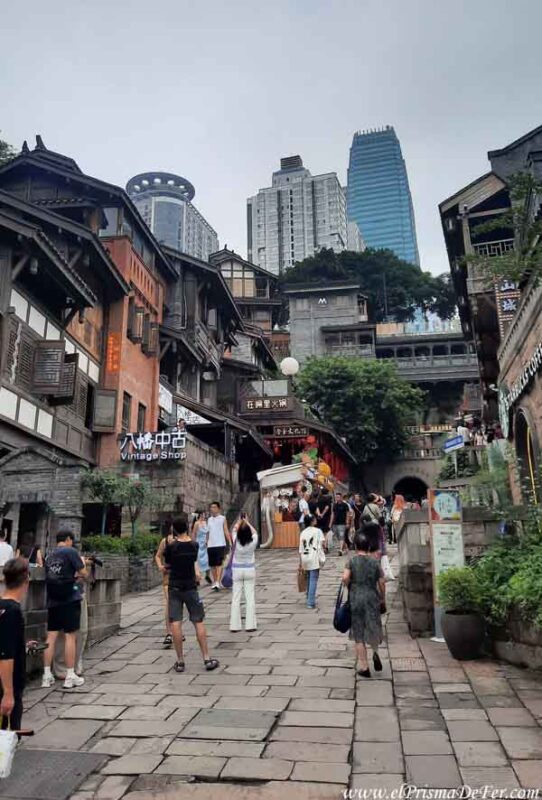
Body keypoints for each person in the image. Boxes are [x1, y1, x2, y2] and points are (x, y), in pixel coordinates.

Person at [164, 518, 219, 673]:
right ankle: (206, 658)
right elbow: (194, 562)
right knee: (198, 621)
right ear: (187, 528)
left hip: (174, 586)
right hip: (190, 587)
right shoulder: (194, 545)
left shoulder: (171, 546)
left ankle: (180, 661)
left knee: (175, 622)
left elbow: (168, 564)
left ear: (174, 529)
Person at [42, 530, 87, 689]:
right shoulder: (71, 552)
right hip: (69, 598)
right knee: (70, 636)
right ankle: (70, 675)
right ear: (68, 540)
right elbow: (84, 573)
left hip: (53, 600)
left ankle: (46, 675)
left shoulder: (49, 554)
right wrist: (83, 564)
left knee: (51, 636)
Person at [342, 532, 385, 678]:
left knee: (358, 633)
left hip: (356, 598)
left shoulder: (352, 562)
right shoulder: (374, 562)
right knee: (373, 626)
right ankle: (375, 652)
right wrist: (383, 598)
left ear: (355, 547)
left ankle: (364, 666)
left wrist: (349, 585)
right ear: (368, 547)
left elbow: (345, 578)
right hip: (372, 597)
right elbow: (381, 582)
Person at [0, 558, 30, 732]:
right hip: (7, 686)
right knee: (7, 739)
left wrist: (22, 644)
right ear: (26, 580)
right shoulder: (12, 611)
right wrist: (8, 693)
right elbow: (5, 655)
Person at [230, 517, 258, 632]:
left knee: (236, 598)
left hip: (237, 570)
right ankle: (250, 625)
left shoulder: (235, 540)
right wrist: (247, 522)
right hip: (249, 570)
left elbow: (234, 529)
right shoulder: (253, 541)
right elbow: (255, 532)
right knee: (250, 598)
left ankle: (235, 626)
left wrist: (240, 522)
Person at [155, 522, 175, 648]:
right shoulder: (165, 542)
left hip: (181, 577)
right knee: (169, 604)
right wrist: (160, 566)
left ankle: (175, 631)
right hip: (168, 576)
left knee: (177, 605)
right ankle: (169, 633)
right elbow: (157, 556)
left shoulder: (185, 541)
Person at [299, 515, 325, 609]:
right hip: (313, 556)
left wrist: (300, 562)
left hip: (305, 556)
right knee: (313, 578)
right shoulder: (318, 531)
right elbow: (322, 543)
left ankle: (308, 596)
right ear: (312, 521)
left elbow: (301, 548)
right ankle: (310, 602)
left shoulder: (303, 532)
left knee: (309, 577)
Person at [207, 502, 232, 591]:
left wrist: (229, 541)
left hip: (220, 543)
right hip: (211, 544)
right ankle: (215, 582)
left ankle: (218, 581)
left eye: (214, 507)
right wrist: (206, 542)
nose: (212, 509)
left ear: (218, 509)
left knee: (219, 563)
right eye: (211, 507)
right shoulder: (209, 520)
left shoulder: (222, 519)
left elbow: (225, 530)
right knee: (212, 565)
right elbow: (208, 531)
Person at [192, 511, 211, 585]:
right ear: (199, 515)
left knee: (207, 560)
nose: (204, 516)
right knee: (198, 560)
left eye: (204, 514)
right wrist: (193, 543)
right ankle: (197, 578)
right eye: (203, 514)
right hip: (198, 543)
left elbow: (208, 533)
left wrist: (207, 540)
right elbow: (193, 533)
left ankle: (207, 575)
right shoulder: (197, 523)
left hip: (205, 544)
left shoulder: (205, 523)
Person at [331, 492, 351, 556]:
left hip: (342, 523)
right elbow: (333, 514)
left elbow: (348, 514)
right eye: (336, 497)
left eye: (338, 497)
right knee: (338, 536)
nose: (337, 498)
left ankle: (340, 549)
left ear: (341, 497)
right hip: (335, 523)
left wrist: (347, 522)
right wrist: (330, 523)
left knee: (341, 535)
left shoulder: (345, 505)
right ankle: (346, 547)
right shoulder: (335, 505)